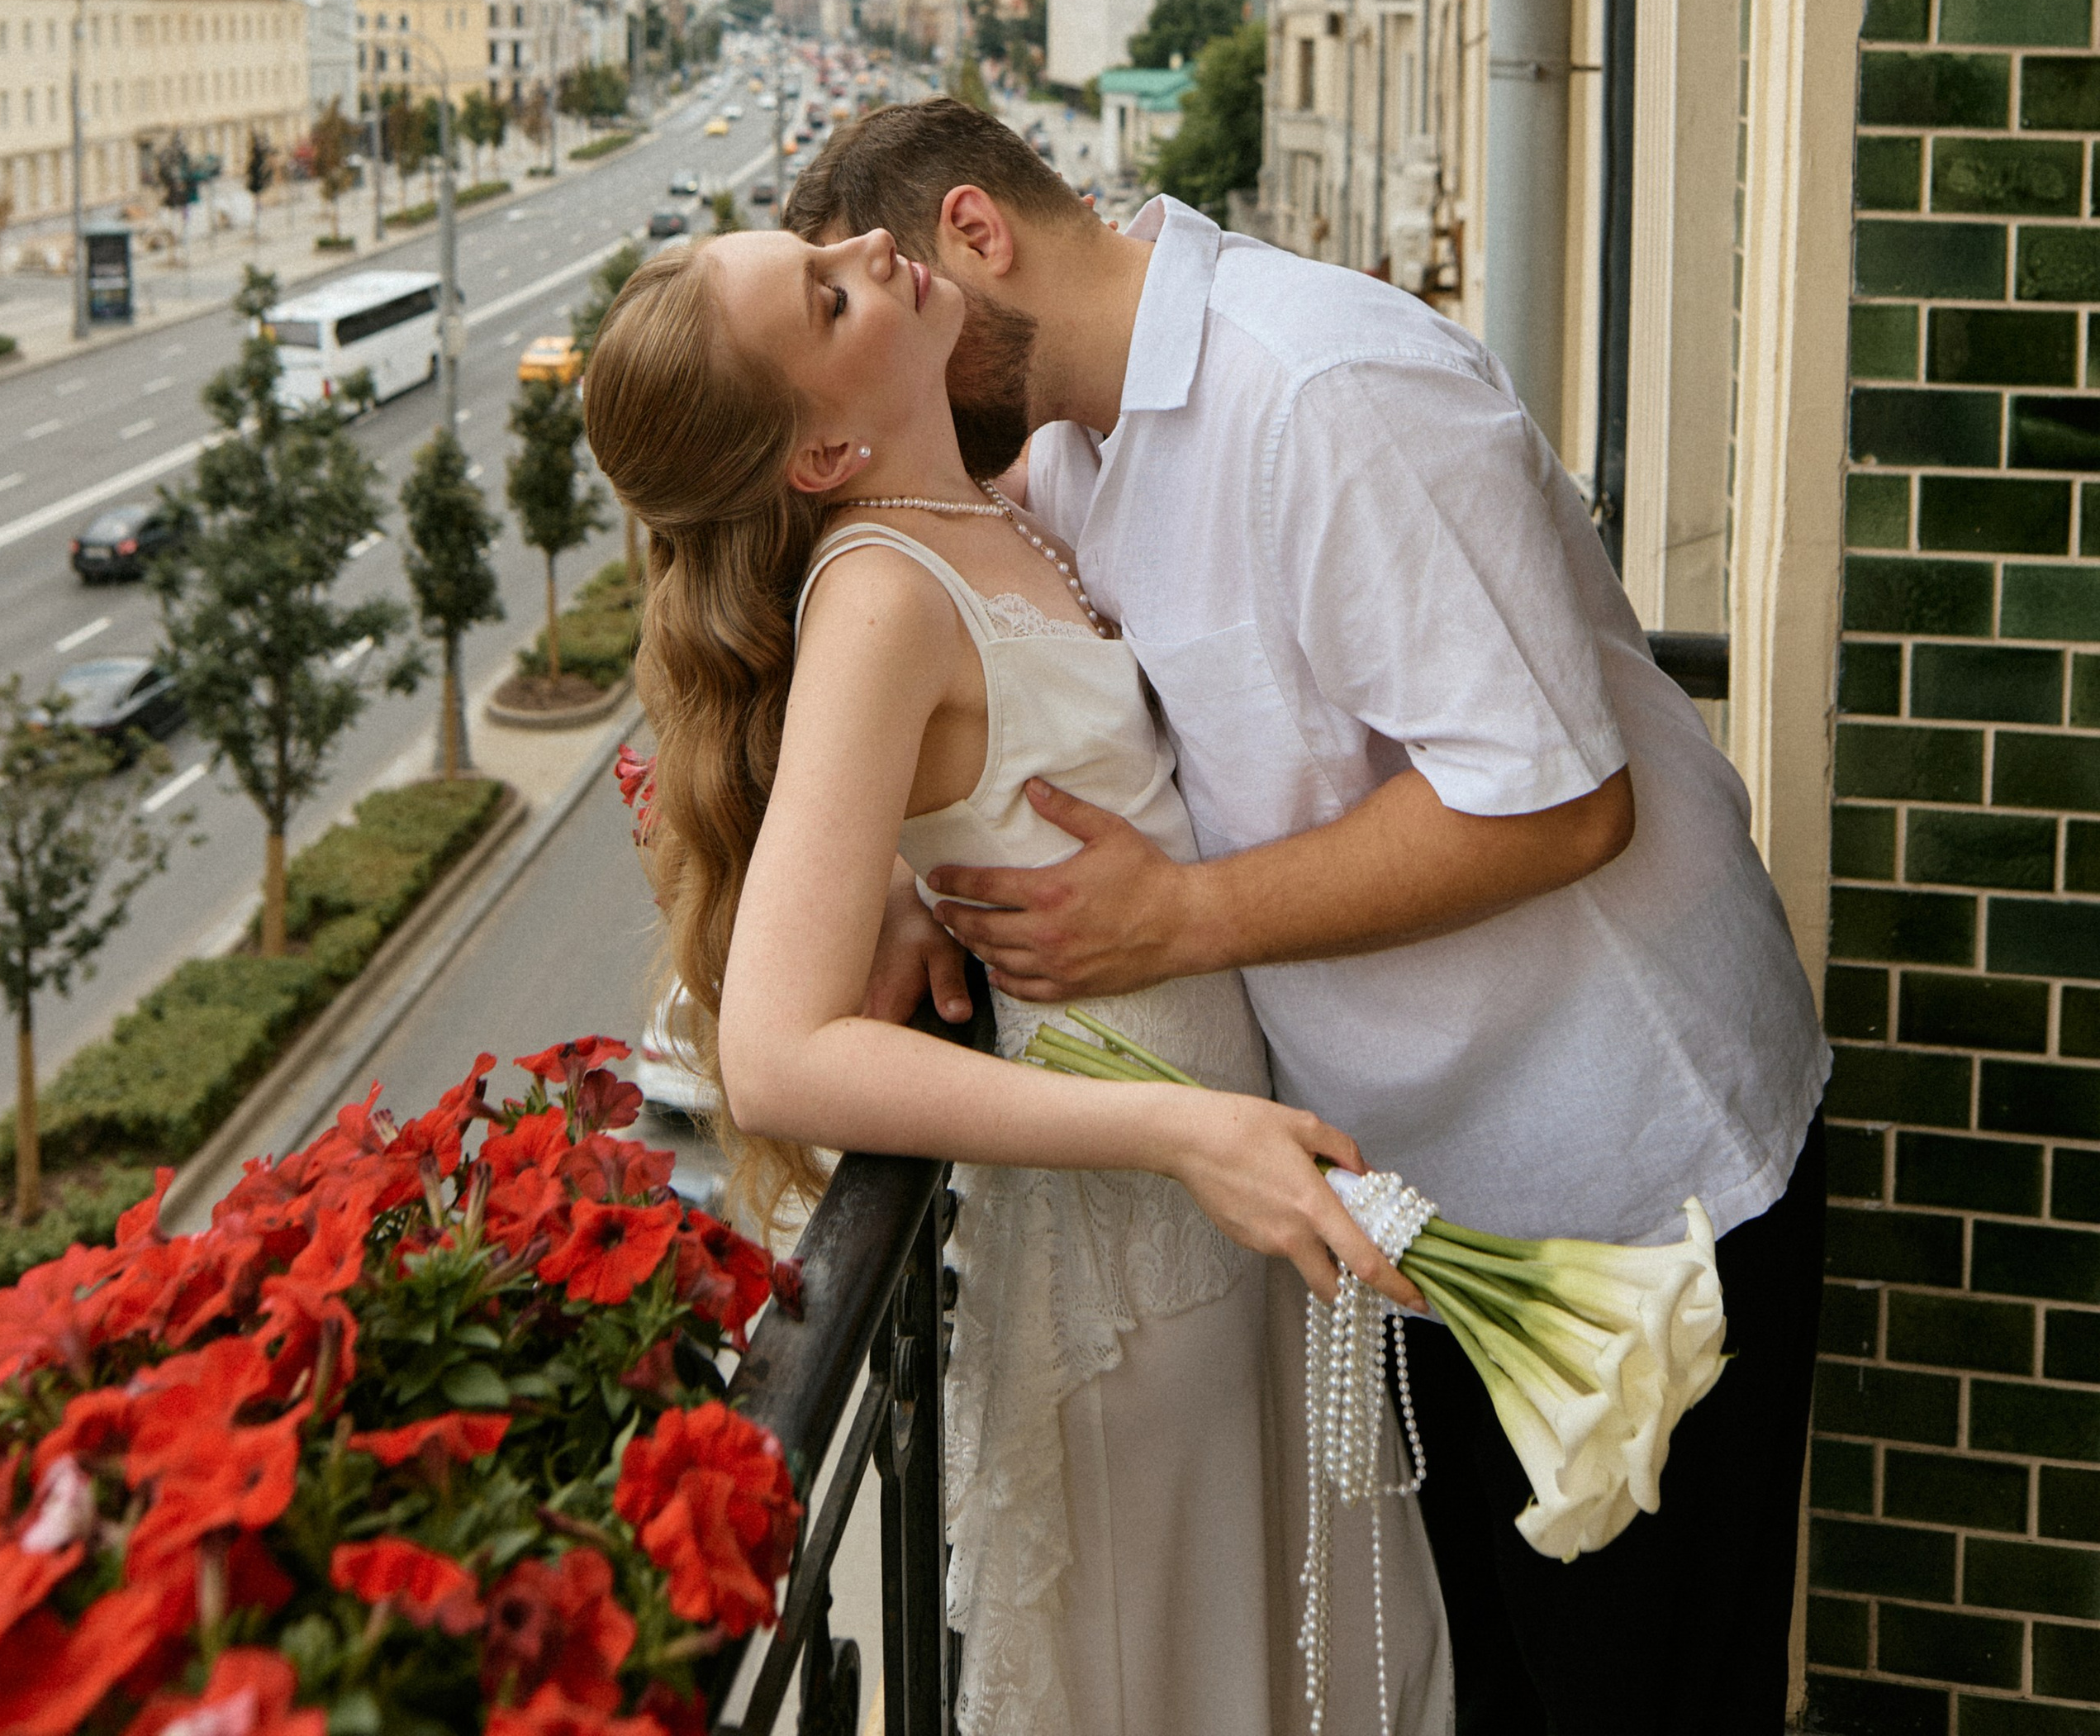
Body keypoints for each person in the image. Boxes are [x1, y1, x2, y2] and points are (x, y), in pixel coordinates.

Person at [783, 98, 1832, 1736]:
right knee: (1479, 1686)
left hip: (1624, 1173)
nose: (904, 358)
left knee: (1637, 1695)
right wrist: (916, 891)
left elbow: (1557, 800)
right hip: (1407, 1203)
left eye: (898, 301)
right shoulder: (1061, 450)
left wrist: (1176, 923)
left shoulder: (1325, 389)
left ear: (974, 238)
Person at [581, 225, 1447, 1736]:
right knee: (1179, 1677)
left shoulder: (996, 506)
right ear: (825, 443)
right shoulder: (880, 600)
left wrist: (913, 886)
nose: (868, 245)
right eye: (828, 293)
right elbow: (777, 1054)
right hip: (1131, 1264)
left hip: (1222, 1212)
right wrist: (1186, 1134)